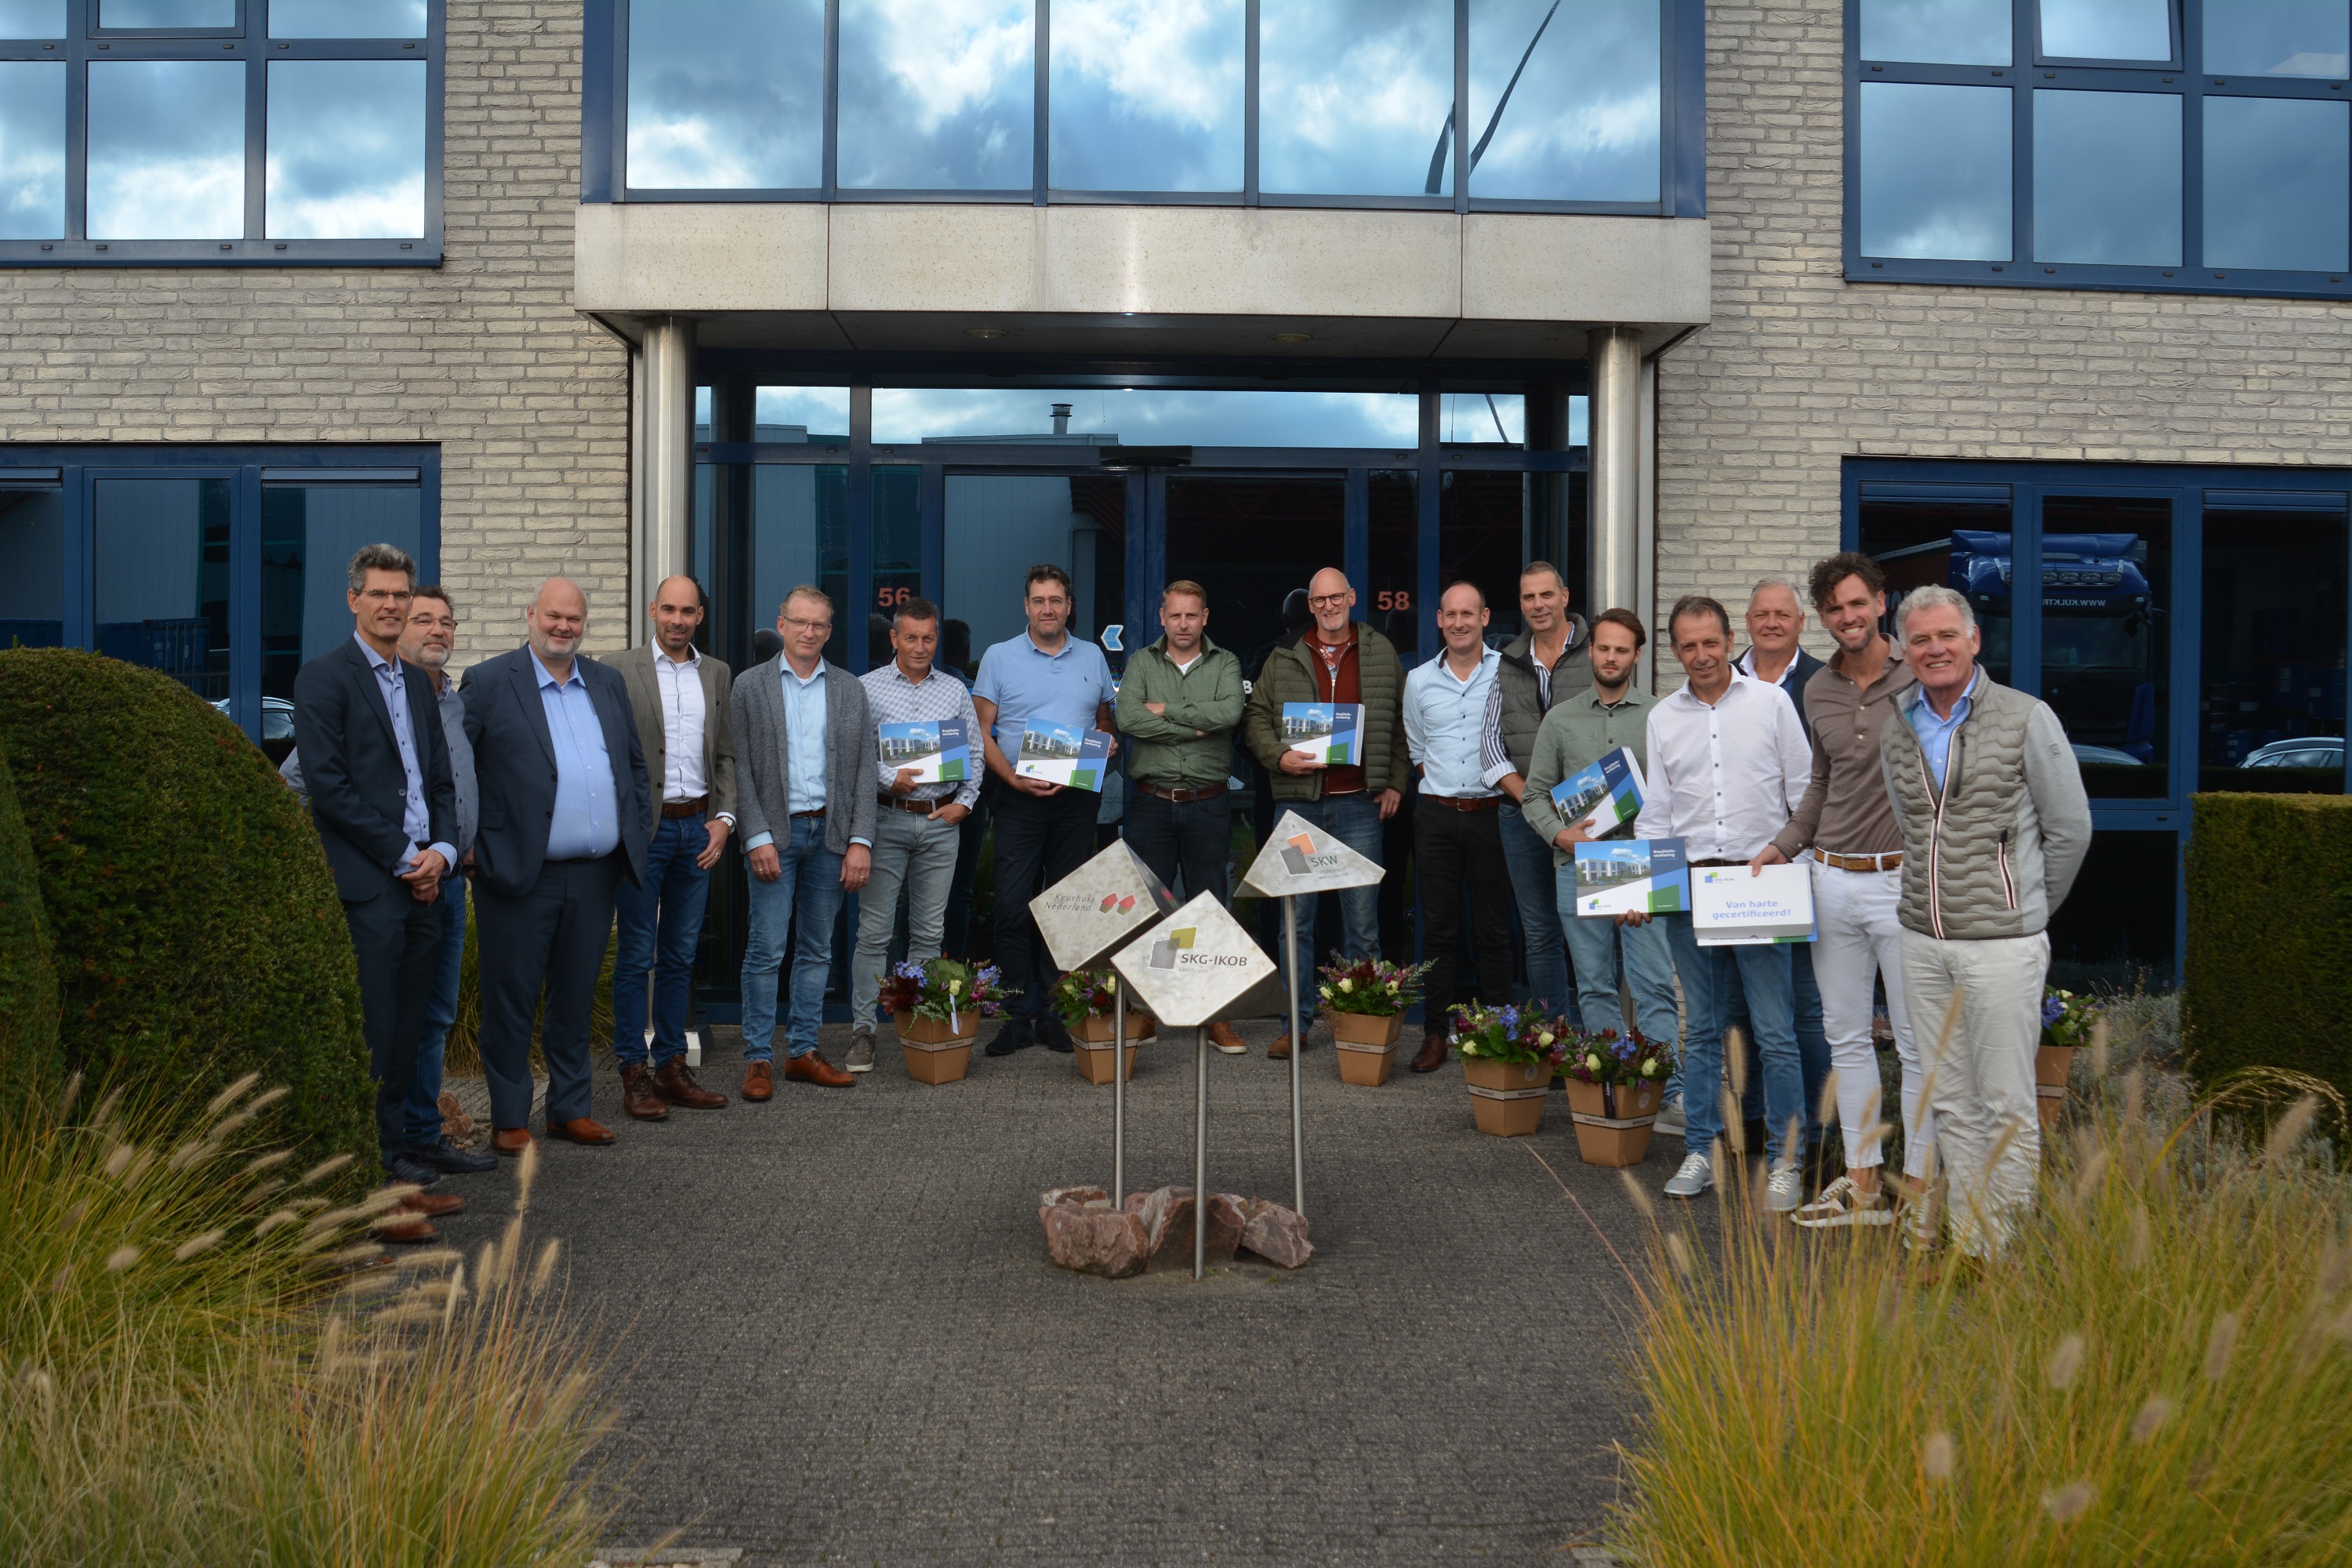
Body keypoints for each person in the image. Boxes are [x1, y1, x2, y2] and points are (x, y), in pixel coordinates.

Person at [1878, 584, 2089, 1258]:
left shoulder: (2027, 718)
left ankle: (2005, 1250)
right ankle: (1972, 1245)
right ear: (1904, 651)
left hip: (2002, 947)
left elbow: (2070, 829)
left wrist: (2024, 909)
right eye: (1920, 640)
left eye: (1947, 635)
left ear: (1974, 639)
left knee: (2005, 1104)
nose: (1934, 649)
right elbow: (1913, 827)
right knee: (1952, 1103)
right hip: (1923, 942)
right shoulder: (1897, 723)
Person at [280, 583, 492, 1184]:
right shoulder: (342, 685)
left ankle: (419, 1136)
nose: (435, 630)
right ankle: (382, 1152)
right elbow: (307, 780)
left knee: (429, 1018)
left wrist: (446, 852)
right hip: (382, 883)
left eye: (446, 621)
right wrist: (398, 857)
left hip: (442, 881)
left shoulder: (447, 700)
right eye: (422, 618)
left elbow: (444, 787)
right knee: (385, 1022)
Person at [1752, 553, 1926, 1228]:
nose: (1847, 617)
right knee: (1847, 1039)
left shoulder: (1920, 675)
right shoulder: (1818, 690)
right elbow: (1820, 783)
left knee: (1916, 1045)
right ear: (1821, 619)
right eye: (1834, 609)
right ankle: (1865, 1188)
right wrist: (1784, 844)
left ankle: (1922, 1194)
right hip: (1830, 879)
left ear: (1881, 603)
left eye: (1857, 603)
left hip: (1902, 882)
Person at [463, 577, 652, 1155]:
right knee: (512, 1001)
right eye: (553, 616)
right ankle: (509, 1118)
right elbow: (457, 770)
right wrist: (469, 844)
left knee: (574, 999)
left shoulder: (607, 682)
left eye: (574, 618)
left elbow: (634, 770)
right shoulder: (489, 682)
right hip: (519, 873)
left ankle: (570, 1110)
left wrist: (633, 837)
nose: (563, 627)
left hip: (595, 876)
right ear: (530, 615)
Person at [1635, 596, 1813, 1207]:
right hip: (1692, 891)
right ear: (1674, 651)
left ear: (1730, 640)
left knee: (1776, 1032)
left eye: (1711, 642)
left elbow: (1804, 795)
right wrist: (1642, 888)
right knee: (1705, 1030)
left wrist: (1796, 874)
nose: (1702, 655)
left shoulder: (1772, 703)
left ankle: (1787, 1160)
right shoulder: (1663, 717)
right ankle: (1701, 1152)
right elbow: (1657, 813)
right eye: (1688, 646)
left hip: (1760, 888)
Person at [1241, 566, 1409, 1061]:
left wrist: (1395, 781)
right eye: (1320, 600)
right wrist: (1278, 756)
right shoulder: (1285, 654)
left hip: (1359, 803)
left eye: (1337, 598)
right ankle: (1295, 1024)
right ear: (1310, 605)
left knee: (1363, 925)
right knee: (1295, 923)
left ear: (1352, 598)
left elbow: (1404, 722)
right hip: (1299, 806)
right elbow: (1255, 717)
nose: (1329, 606)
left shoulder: (1380, 652)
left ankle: (1361, 1027)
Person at [971, 564, 1120, 1057]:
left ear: (1069, 606)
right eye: (1039, 601)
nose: (1048, 609)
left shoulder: (1093, 656)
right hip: (1019, 797)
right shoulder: (999, 657)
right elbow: (981, 731)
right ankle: (1016, 1015)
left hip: (1077, 798)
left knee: (1066, 909)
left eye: (1056, 600)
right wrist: (1012, 779)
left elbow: (1104, 719)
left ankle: (1056, 1013)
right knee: (1012, 906)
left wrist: (1107, 741)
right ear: (1026, 606)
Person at [731, 586, 875, 1094]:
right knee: (766, 949)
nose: (808, 632)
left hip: (831, 836)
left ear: (829, 632)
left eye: (818, 624)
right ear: (782, 625)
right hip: (775, 835)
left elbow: (865, 769)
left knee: (817, 950)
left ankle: (802, 1052)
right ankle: (758, 1059)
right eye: (800, 622)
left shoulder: (849, 689)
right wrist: (755, 835)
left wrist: (860, 840)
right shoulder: (750, 686)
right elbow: (738, 767)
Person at [1519, 608, 1679, 1048]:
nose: (1611, 657)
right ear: (1590, 650)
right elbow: (1534, 796)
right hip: (1578, 862)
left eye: (1621, 650)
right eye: (1604, 648)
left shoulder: (1662, 717)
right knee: (1593, 986)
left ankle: (1667, 1082)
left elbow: (1680, 796)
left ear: (1637, 656)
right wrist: (1560, 835)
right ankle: (1609, 1078)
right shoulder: (1560, 719)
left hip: (1643, 861)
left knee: (1654, 985)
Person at [608, 575, 735, 1120]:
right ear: (652, 610)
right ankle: (632, 1071)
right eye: (669, 610)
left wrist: (724, 820)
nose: (677, 620)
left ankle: (671, 1065)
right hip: (644, 834)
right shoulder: (617, 669)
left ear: (699, 616)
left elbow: (725, 753)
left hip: (697, 832)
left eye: (687, 611)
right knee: (637, 956)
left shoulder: (717, 673)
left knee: (681, 956)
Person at [1723, 575, 1831, 1158]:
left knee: (1804, 1008)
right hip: (1733, 877)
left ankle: (1816, 1130)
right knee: (1740, 1009)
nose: (1771, 623)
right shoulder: (1720, 682)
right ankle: (1751, 1119)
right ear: (1746, 622)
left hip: (1800, 868)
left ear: (1800, 623)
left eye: (1782, 615)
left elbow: (1821, 786)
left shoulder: (1823, 683)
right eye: (1761, 614)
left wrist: (1803, 856)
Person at [848, 595, 980, 1071]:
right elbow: (856, 753)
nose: (920, 647)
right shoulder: (866, 689)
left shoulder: (956, 691)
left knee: (928, 932)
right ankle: (863, 1032)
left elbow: (975, 754)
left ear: (936, 638)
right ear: (894, 638)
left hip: (940, 823)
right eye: (911, 638)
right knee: (875, 933)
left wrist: (964, 803)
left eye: (928, 638)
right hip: (886, 819)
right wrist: (890, 779)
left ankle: (918, 1028)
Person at [1116, 579, 1248, 1054]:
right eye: (1175, 615)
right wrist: (1195, 726)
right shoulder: (1141, 662)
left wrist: (1166, 712)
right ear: (1162, 617)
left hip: (1207, 803)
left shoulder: (1226, 663)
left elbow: (1229, 713)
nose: (1183, 624)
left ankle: (1215, 1015)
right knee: (1148, 910)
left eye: (1192, 615)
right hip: (1151, 802)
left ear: (1205, 617)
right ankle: (1144, 1012)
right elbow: (1128, 718)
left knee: (1209, 908)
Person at [1402, 583, 1515, 1072]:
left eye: (1468, 614)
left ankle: (1498, 1034)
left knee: (1494, 930)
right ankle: (1435, 1034)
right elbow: (1417, 746)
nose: (1459, 623)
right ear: (1439, 620)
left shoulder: (1508, 672)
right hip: (1437, 817)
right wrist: (1444, 786)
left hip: (1493, 815)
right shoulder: (1419, 680)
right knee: (1439, 931)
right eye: (1451, 614)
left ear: (1484, 617)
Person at [1479, 562, 1591, 1020]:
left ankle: (1599, 1039)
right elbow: (1490, 749)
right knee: (1540, 933)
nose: (1538, 605)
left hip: (1589, 817)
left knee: (1593, 927)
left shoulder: (1595, 651)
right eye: (1529, 597)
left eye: (1546, 595)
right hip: (1522, 818)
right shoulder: (1506, 662)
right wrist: (1536, 803)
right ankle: (1554, 1033)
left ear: (1564, 596)